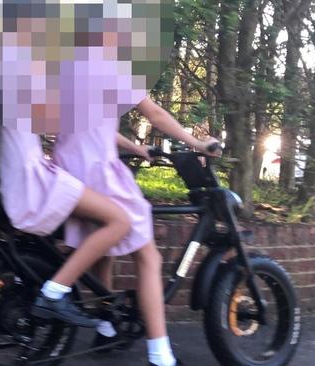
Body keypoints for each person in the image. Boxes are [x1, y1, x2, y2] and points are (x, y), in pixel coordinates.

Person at [53, 97, 221, 366]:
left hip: (68, 170)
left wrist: (135, 148)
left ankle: (106, 329)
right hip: (97, 170)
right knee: (148, 257)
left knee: (103, 251)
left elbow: (94, 126)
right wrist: (199, 144)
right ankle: (161, 356)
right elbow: (155, 114)